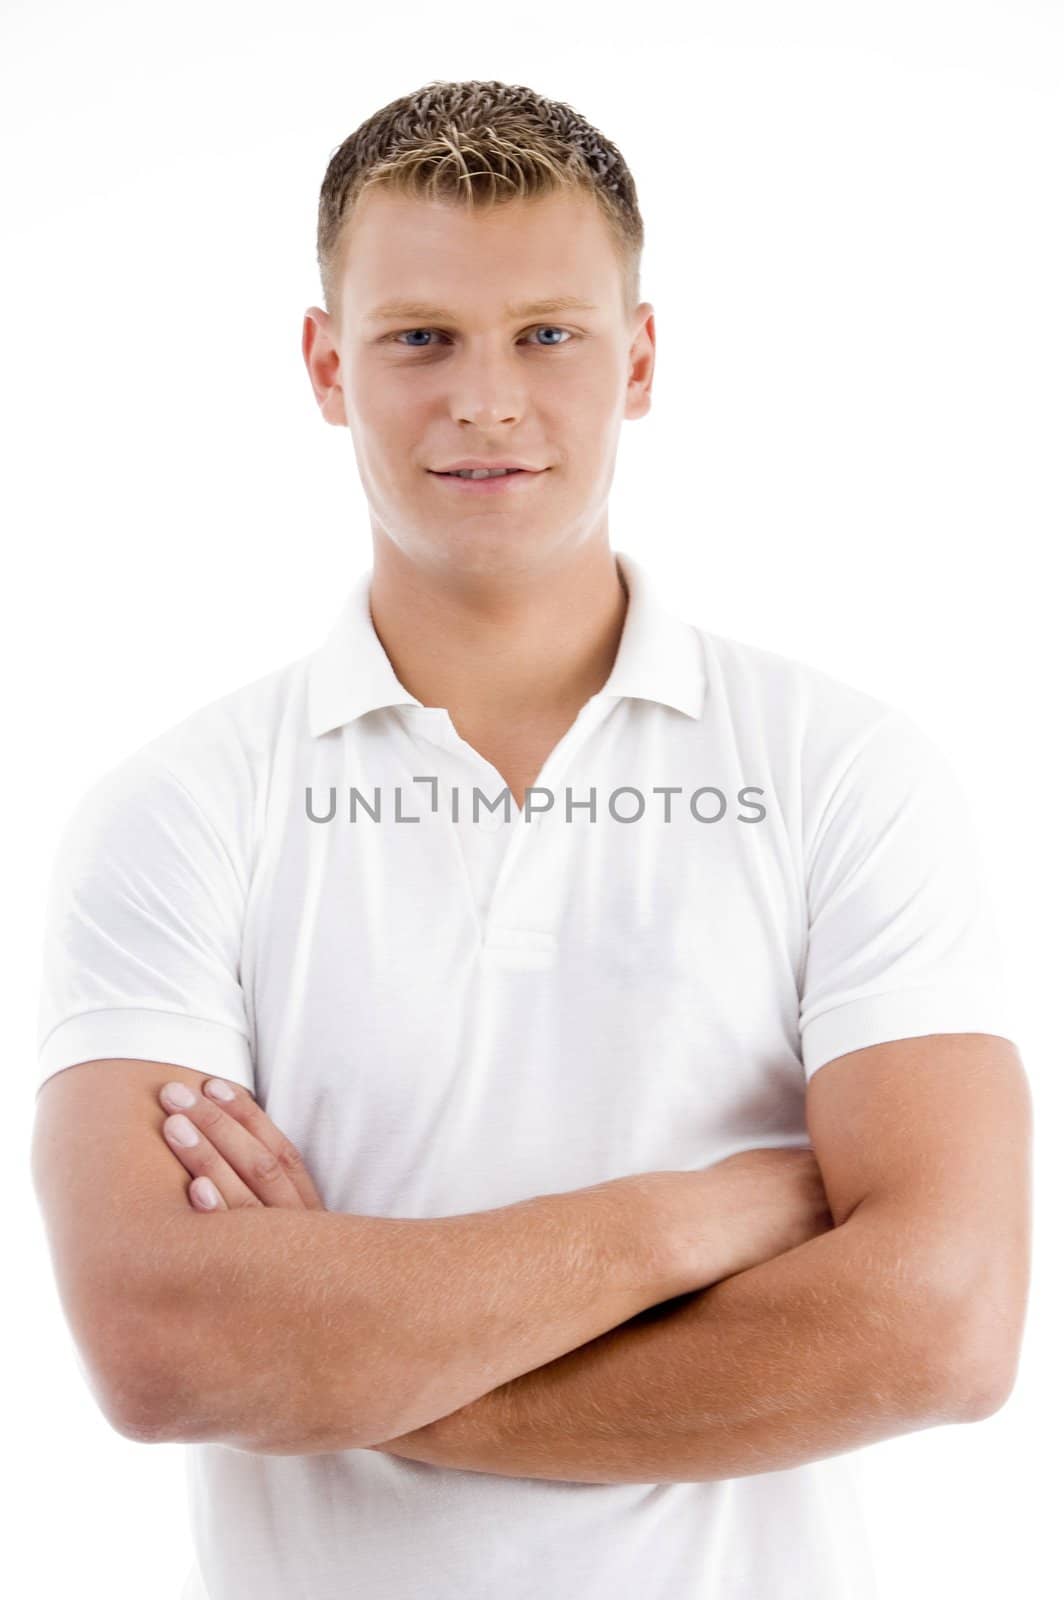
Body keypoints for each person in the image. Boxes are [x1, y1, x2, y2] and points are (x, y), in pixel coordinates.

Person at [31, 79, 1031, 1600]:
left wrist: (350, 1363)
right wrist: (709, 1212)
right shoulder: (178, 814)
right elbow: (170, 1352)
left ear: (638, 361)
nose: (486, 399)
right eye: (419, 337)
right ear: (325, 366)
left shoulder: (845, 774)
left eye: (547, 335)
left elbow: (944, 1326)